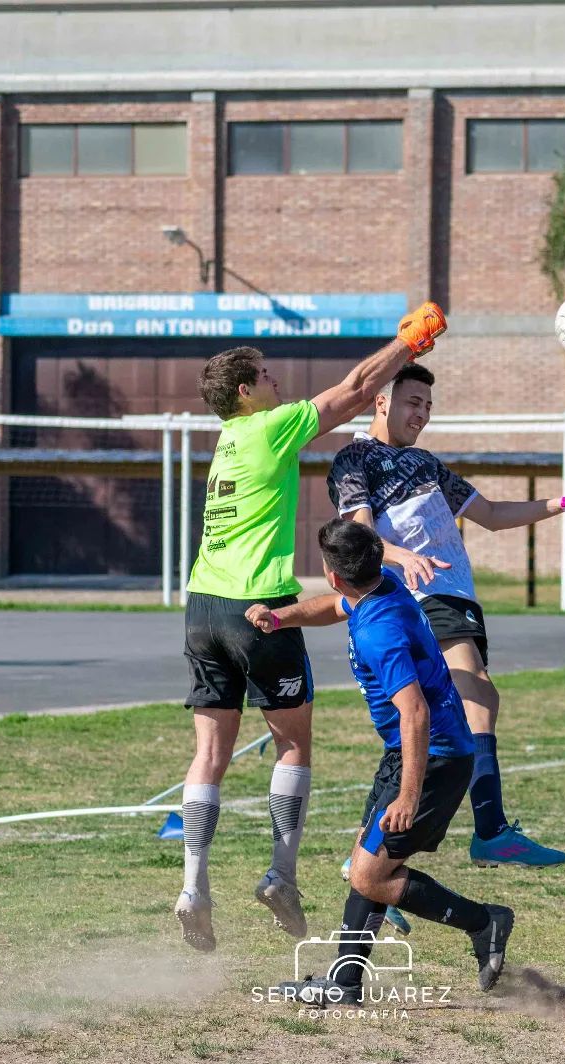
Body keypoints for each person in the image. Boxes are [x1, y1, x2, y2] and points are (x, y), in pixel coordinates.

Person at [174, 302, 448, 953]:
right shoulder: (268, 426)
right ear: (246, 392)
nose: (277, 381)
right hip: (257, 606)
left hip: (202, 606)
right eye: (267, 376)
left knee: (209, 754)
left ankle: (192, 889)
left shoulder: (226, 441)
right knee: (293, 744)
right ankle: (281, 874)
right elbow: (354, 390)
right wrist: (408, 343)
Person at [327, 362, 565, 878]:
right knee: (477, 698)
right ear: (381, 401)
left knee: (445, 719)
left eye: (428, 406)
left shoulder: (425, 463)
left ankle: (367, 860)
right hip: (422, 595)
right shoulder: (356, 458)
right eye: (411, 402)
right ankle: (490, 831)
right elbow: (360, 535)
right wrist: (402, 556)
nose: (421, 414)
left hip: (454, 595)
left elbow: (489, 514)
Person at [245, 519, 514, 1003]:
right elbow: (335, 606)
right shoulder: (380, 584)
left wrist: (408, 796)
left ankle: (484, 922)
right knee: (366, 863)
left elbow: (415, 712)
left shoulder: (379, 632)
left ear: (333, 574)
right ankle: (345, 984)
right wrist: (281, 618)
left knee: (370, 874)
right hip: (412, 752)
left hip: (434, 756)